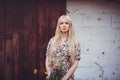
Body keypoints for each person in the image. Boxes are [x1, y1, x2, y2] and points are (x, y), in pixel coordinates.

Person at [45, 15, 81, 80]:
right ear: (59, 26)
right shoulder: (52, 41)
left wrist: (65, 78)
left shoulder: (75, 42)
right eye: (61, 23)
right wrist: (50, 75)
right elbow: (47, 59)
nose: (64, 25)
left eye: (66, 23)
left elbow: (75, 63)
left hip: (68, 77)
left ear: (70, 25)